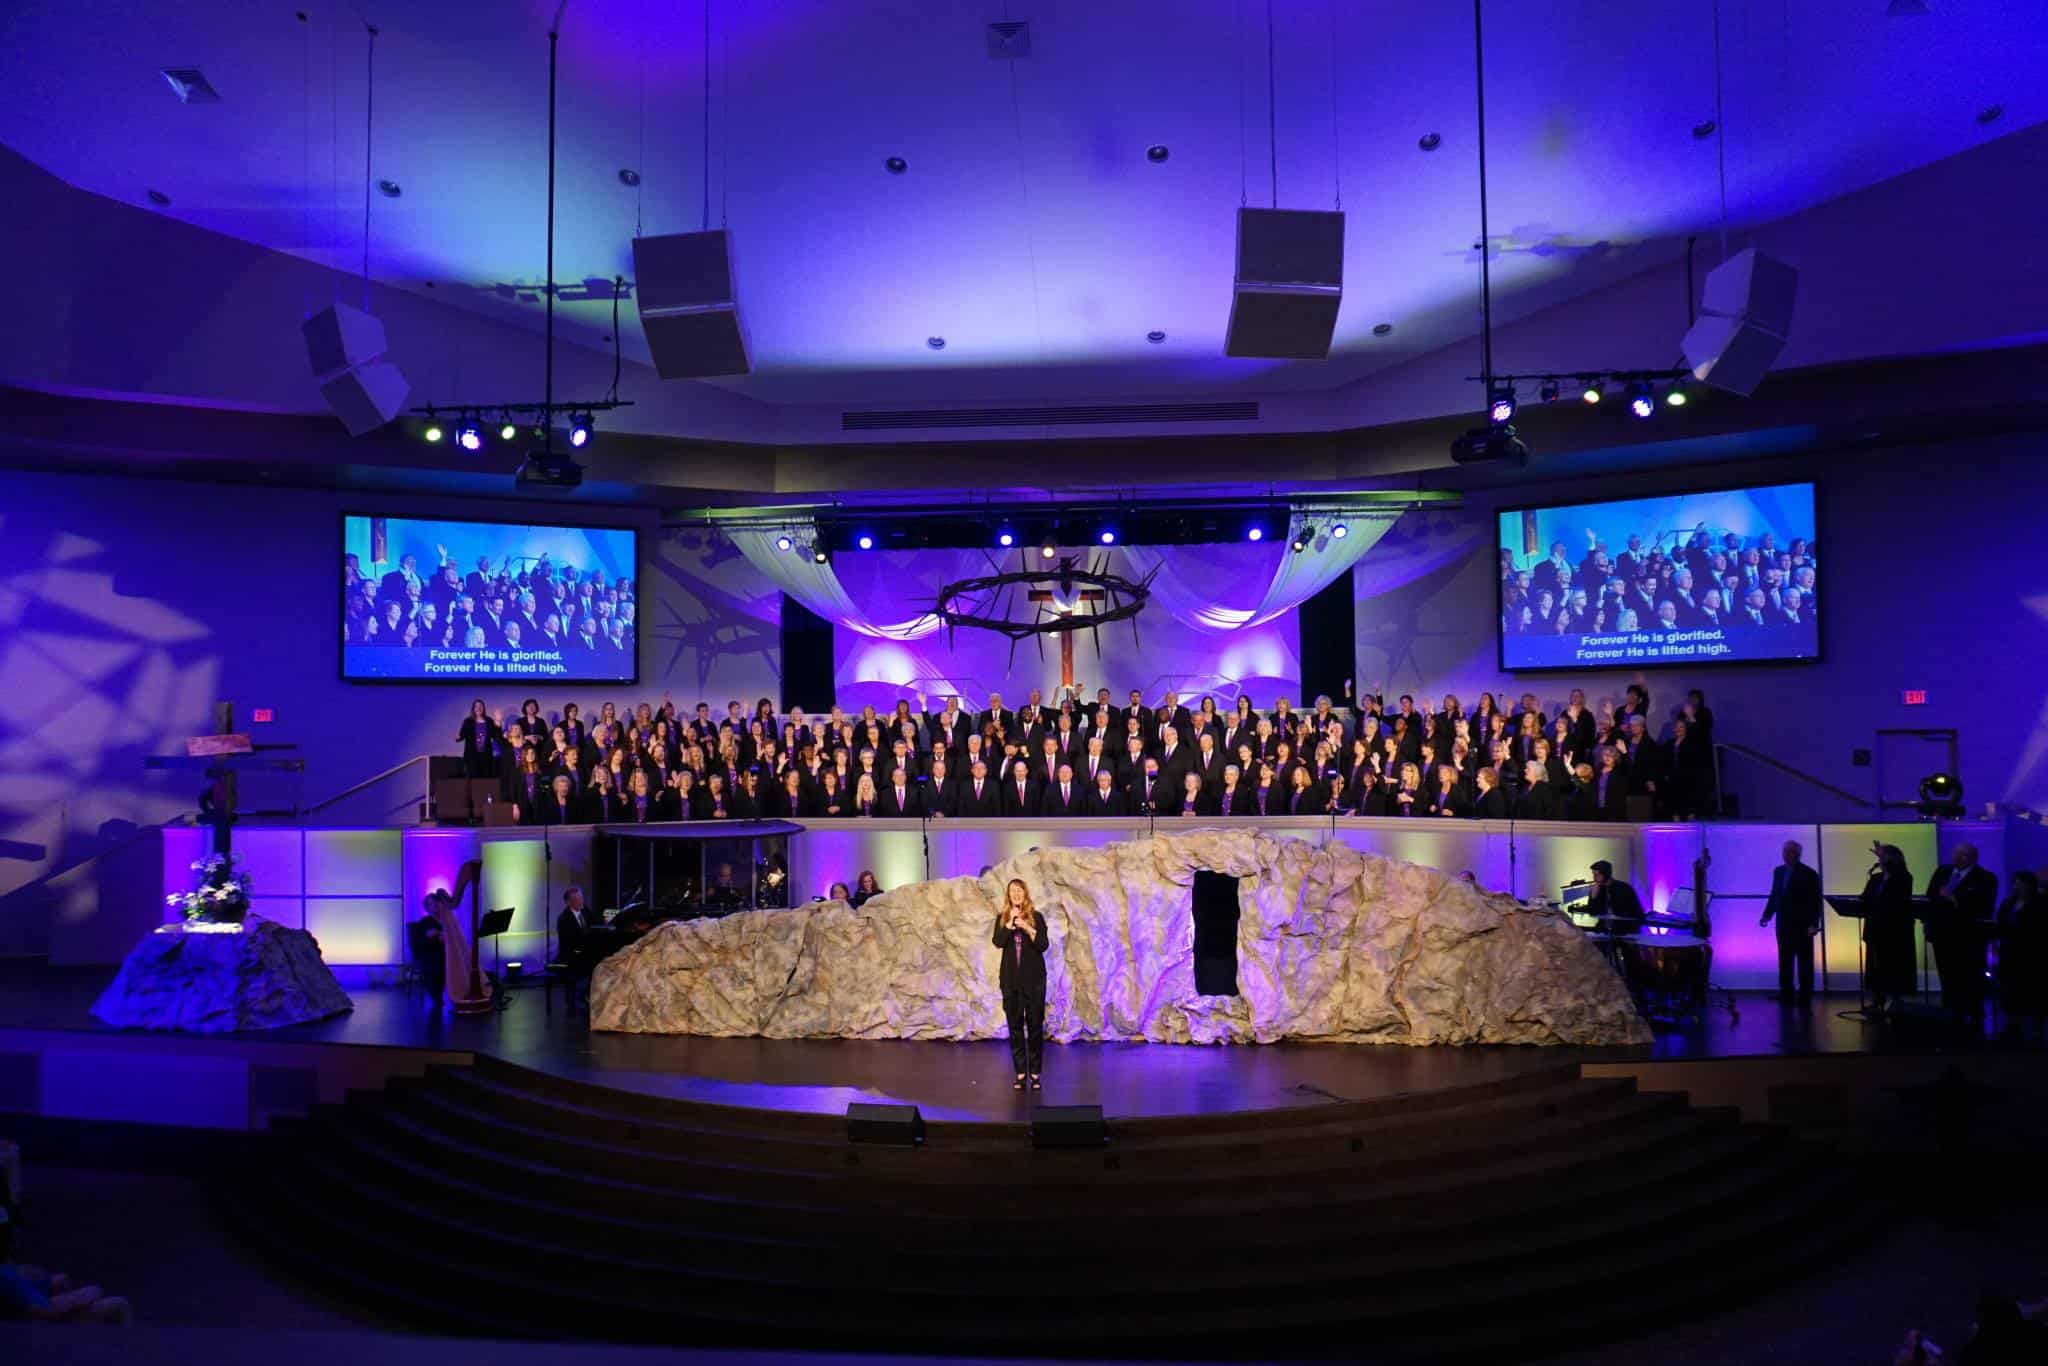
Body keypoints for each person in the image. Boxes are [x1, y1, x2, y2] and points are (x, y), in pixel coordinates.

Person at [1926, 842, 1996, 1025]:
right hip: (1942, 933)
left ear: (1973, 858)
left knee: (1970, 974)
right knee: (1946, 973)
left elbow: (1984, 907)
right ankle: (1950, 1008)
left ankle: (1973, 1010)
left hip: (1968, 937)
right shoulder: (1943, 872)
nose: (1956, 857)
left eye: (1962, 854)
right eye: (1955, 853)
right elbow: (1930, 896)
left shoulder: (1985, 878)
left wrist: (1956, 899)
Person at [993, 877, 1049, 1092]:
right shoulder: (1002, 918)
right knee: (1015, 1028)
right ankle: (1020, 1072)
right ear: (1008, 896)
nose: (1016, 894)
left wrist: (1027, 927)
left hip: (1034, 983)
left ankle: (1035, 1071)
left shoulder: (1037, 917)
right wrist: (1009, 924)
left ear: (1025, 894)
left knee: (1035, 1027)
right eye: (1012, 891)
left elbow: (1043, 944)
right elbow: (998, 941)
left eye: (1019, 891)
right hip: (1011, 983)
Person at [422, 859, 492, 1012]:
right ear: (427, 908)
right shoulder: (426, 922)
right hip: (435, 954)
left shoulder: (447, 919)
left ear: (441, 904)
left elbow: (450, 938)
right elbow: (426, 939)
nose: (434, 906)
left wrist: (443, 936)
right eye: (430, 904)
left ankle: (469, 988)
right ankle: (442, 996)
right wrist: (439, 936)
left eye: (435, 903)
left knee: (463, 960)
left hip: (447, 953)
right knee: (440, 965)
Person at [1759, 839, 1823, 1004]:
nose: (1786, 855)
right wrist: (1767, 915)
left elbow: (1815, 901)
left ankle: (1805, 994)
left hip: (1803, 924)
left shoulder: (1809, 873)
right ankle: (1786, 992)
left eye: (1790, 852)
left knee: (1804, 961)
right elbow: (1775, 895)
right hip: (1783, 923)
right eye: (1785, 851)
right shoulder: (1778, 871)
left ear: (1798, 854)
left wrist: (1814, 924)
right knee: (1784, 960)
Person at [1861, 842, 1918, 1015]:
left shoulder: (1904, 877)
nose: (1880, 860)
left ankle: (1895, 1000)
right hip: (1874, 929)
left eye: (1884, 857)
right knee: (1874, 965)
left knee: (1893, 964)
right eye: (1880, 857)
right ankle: (1877, 1000)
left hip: (1894, 931)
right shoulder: (1876, 878)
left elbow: (1898, 899)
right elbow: (1865, 898)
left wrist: (1885, 859)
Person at [1585, 859, 1644, 939]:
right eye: (1593, 874)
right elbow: (1592, 913)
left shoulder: (1624, 888)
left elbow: (1638, 913)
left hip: (1624, 930)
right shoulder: (1596, 889)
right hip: (1603, 930)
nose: (1594, 878)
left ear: (1606, 874)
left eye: (1597, 875)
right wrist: (1593, 898)